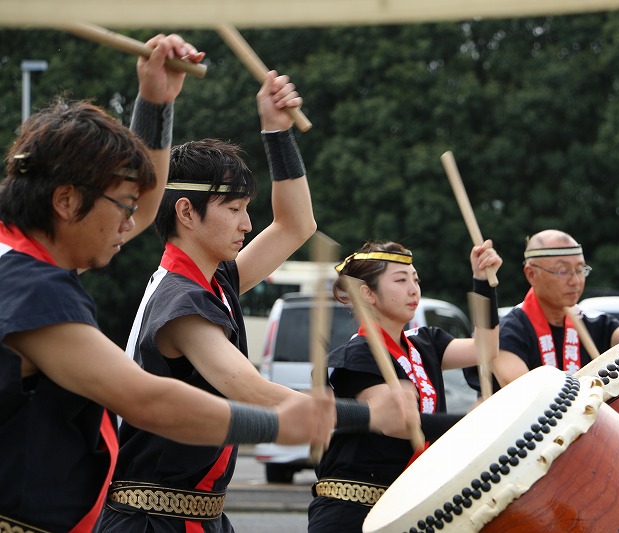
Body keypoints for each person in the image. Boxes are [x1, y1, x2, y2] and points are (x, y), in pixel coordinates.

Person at [0, 35, 344, 532]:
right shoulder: (39, 289)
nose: (131, 221)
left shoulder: (24, 261)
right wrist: (292, 420)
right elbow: (149, 400)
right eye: (121, 204)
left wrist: (158, 103)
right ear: (67, 201)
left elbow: (293, 226)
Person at [99, 74, 418, 532]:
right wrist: (367, 415)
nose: (248, 224)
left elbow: (296, 224)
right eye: (233, 209)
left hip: (196, 517)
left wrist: (277, 131)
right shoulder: (180, 301)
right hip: (150, 522)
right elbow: (253, 392)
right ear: (186, 213)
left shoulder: (212, 281)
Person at [306, 239, 503, 533]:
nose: (413, 289)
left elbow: (486, 349)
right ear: (367, 293)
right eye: (400, 280)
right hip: (353, 510)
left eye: (415, 280)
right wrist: (473, 424)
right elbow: (398, 423)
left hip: (407, 507)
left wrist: (483, 282)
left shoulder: (427, 343)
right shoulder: (357, 355)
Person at [490, 229, 619, 388]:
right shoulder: (509, 332)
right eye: (563, 271)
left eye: (580, 270)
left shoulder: (595, 324)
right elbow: (523, 392)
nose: (575, 281)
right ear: (531, 274)